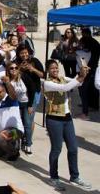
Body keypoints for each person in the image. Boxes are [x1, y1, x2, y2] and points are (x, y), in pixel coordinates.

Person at [43, 60, 92, 191]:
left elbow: (77, 82)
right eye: (52, 68)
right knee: (56, 149)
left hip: (67, 118)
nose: (55, 70)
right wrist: (80, 76)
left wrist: (83, 73)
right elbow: (65, 88)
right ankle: (53, 177)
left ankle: (74, 177)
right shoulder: (47, 83)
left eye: (56, 68)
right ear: (47, 70)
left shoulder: (62, 78)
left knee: (73, 148)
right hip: (54, 119)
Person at [0, 79, 23, 161]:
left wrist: (7, 82)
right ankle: (10, 147)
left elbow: (13, 94)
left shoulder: (11, 99)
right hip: (3, 132)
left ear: (4, 91)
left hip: (17, 131)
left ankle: (14, 152)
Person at [5, 61, 35, 155]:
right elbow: (7, 95)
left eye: (16, 68)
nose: (14, 70)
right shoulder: (7, 80)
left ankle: (28, 144)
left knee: (27, 123)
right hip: (15, 105)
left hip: (25, 103)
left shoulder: (24, 77)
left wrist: (30, 105)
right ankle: (16, 144)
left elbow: (32, 89)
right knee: (15, 125)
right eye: (11, 68)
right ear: (8, 70)